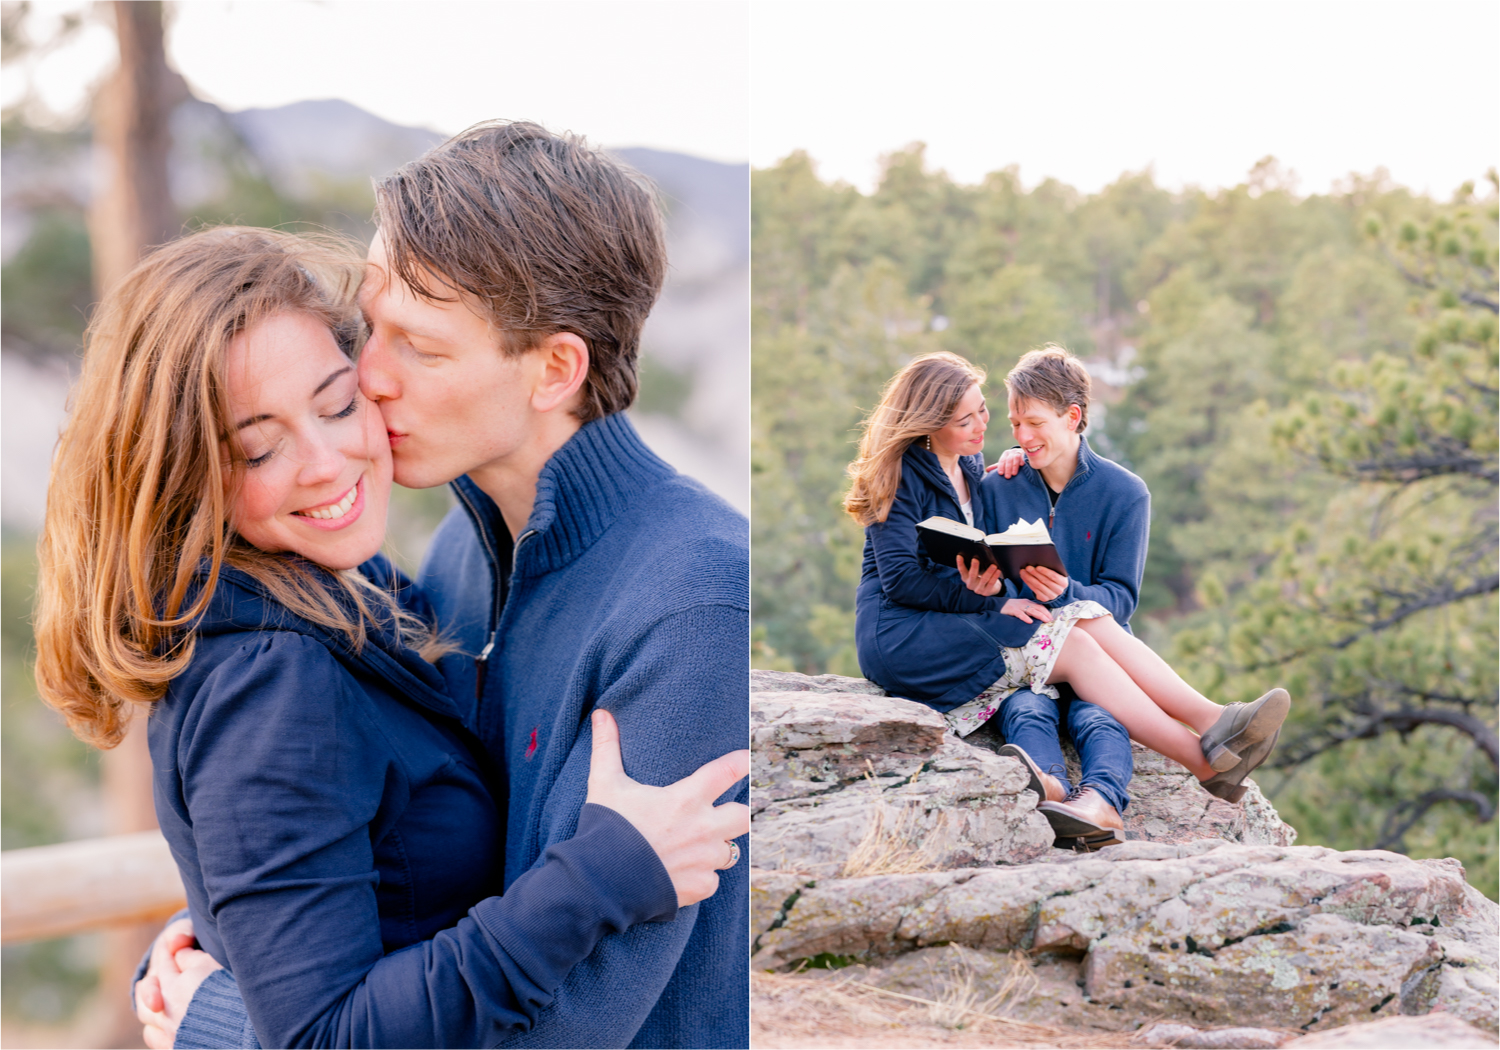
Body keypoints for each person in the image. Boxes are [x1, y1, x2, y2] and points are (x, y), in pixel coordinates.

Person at [32, 228, 750, 1049]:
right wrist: (597, 879)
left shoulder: (371, 585)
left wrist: (229, 974)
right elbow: (317, 1035)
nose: (326, 461)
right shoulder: (273, 677)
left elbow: (334, 870)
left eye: (339, 403)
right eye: (260, 448)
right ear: (189, 474)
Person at [848, 351, 1290, 846]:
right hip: (905, 634)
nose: (985, 427)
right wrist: (993, 601)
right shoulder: (903, 474)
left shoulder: (973, 465)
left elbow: (1098, 590)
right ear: (929, 423)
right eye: (965, 419)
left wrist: (991, 585)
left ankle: (1212, 724)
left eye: (983, 411)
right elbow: (903, 581)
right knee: (1072, 646)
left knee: (1080, 626)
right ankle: (1205, 753)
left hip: (959, 623)